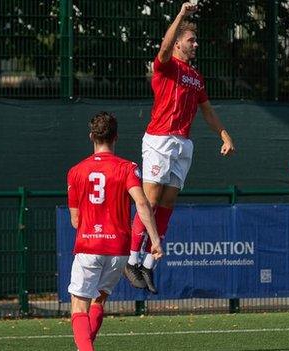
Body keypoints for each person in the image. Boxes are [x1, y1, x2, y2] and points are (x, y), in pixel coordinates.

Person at [123, 2, 235, 294]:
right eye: (191, 40)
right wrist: (182, 14)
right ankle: (131, 259)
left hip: (183, 144)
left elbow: (208, 111)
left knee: (168, 202)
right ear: (177, 44)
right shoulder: (166, 66)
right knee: (150, 200)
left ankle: (148, 264)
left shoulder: (196, 77)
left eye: (195, 40)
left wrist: (224, 134)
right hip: (160, 139)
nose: (195, 44)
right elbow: (162, 48)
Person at [66, 112, 164, 351]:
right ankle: (85, 346)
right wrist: (154, 240)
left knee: (79, 307)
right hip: (118, 250)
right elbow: (142, 204)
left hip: (89, 245)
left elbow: (75, 220)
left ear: (91, 137)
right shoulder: (128, 168)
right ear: (116, 137)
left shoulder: (76, 171)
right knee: (99, 299)